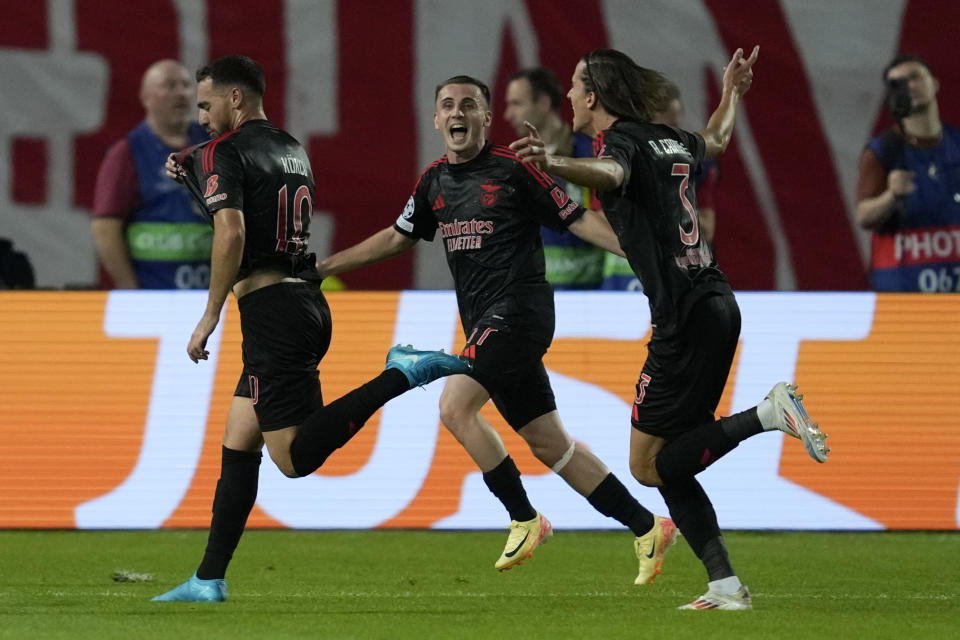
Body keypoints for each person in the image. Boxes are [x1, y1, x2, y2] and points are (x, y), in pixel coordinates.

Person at [318, 75, 676, 581]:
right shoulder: (433, 181)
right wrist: (326, 266)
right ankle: (647, 527)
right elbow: (396, 239)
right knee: (551, 444)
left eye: (470, 105)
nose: (458, 113)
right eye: (448, 105)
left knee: (454, 406)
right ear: (437, 118)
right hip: (486, 324)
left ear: (487, 118)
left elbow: (576, 220)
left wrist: (645, 254)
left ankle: (524, 518)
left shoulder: (515, 171)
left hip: (521, 313)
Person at [511, 47, 829, 611]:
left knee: (646, 464)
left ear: (594, 96)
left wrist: (552, 164)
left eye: (576, 85)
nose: (568, 96)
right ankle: (726, 586)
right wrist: (732, 93)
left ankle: (767, 413)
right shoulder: (669, 138)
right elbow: (719, 138)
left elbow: (609, 174)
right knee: (673, 458)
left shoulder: (622, 145)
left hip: (682, 318)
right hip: (717, 301)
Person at [151, 55, 471, 602]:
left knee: (293, 459)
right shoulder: (292, 150)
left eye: (205, 105)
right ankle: (209, 578)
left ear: (235, 99)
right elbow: (256, 224)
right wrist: (196, 181)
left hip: (271, 314)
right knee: (238, 442)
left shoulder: (221, 151)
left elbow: (231, 233)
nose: (200, 117)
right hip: (301, 301)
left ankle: (403, 373)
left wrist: (210, 314)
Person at [91, 59, 213, 289]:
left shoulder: (213, 144)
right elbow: (105, 228)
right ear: (146, 97)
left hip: (213, 297)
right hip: (154, 294)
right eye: (169, 86)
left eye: (186, 85)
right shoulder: (127, 153)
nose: (181, 93)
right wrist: (131, 290)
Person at [855, 54, 960, 292]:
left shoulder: (957, 144)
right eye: (898, 84)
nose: (909, 86)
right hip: (903, 298)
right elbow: (863, 215)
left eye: (914, 77)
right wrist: (891, 196)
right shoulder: (883, 151)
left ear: (934, 83)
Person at [600, 82, 720, 291]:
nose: (671, 138)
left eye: (675, 127)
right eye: (662, 129)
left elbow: (707, 229)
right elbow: (601, 220)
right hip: (624, 277)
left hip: (679, 275)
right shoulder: (615, 160)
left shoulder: (698, 163)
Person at [504, 67, 605, 289]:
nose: (507, 114)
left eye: (517, 103)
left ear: (543, 103)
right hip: (538, 299)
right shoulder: (514, 166)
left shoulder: (590, 153)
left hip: (593, 298)